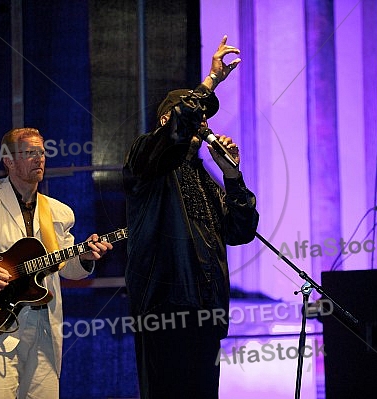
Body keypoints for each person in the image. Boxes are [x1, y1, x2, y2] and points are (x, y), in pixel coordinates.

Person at [0, 127, 113, 398]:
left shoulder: (59, 211)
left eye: (42, 152)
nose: (39, 159)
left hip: (45, 330)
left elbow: (64, 268)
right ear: (9, 161)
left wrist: (83, 258)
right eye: (29, 153)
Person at [122, 35, 259, 399]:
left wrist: (232, 176)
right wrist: (212, 79)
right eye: (196, 117)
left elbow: (241, 230)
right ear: (169, 118)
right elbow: (178, 127)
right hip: (164, 311)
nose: (202, 125)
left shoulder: (204, 178)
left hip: (207, 314)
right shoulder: (146, 159)